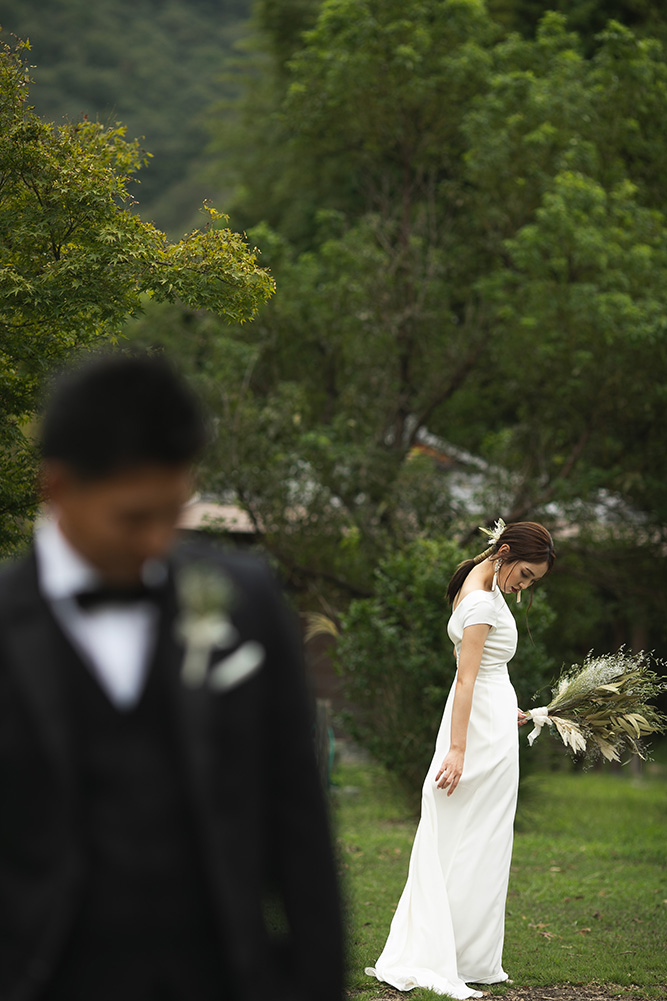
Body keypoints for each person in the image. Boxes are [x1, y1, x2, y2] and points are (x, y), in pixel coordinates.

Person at [0, 353, 343, 1001]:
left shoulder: (245, 600)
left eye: (172, 511)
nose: (159, 541)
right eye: (133, 517)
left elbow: (298, 820)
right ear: (58, 489)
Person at [366, 520, 555, 999]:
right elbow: (466, 678)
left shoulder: (478, 581)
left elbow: (480, 674)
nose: (525, 585)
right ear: (506, 551)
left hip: (488, 720)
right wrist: (456, 748)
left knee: (477, 838)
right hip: (475, 732)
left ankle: (466, 953)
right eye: (526, 574)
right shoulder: (480, 602)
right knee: (468, 836)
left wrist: (502, 711)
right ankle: (447, 951)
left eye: (532, 580)